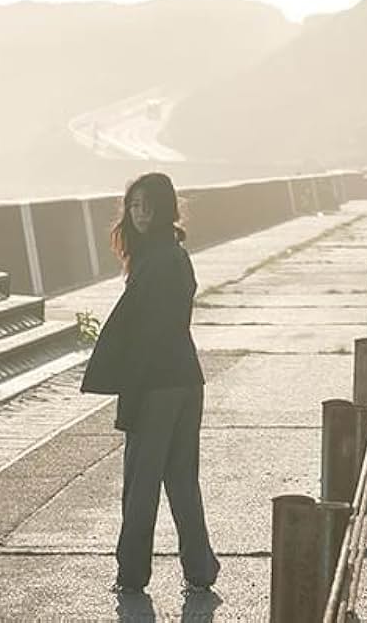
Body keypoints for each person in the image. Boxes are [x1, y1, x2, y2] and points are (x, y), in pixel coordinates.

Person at [81, 172, 220, 596]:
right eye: (134, 206)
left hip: (156, 384)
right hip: (184, 380)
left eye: (147, 205)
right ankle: (200, 569)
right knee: (181, 480)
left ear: (164, 208)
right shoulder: (175, 256)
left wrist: (131, 395)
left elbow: (146, 336)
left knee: (140, 484)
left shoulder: (155, 261)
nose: (140, 214)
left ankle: (131, 575)